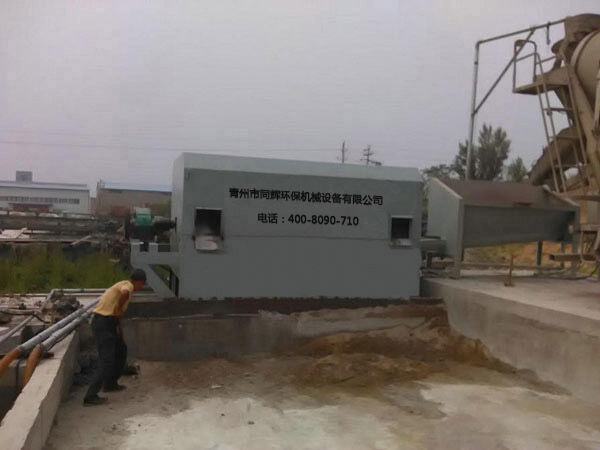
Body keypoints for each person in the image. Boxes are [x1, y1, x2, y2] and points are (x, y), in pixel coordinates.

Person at [83, 269, 146, 406]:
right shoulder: (128, 286)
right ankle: (90, 396)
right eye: (142, 284)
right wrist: (118, 308)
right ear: (139, 282)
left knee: (121, 350)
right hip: (104, 323)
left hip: (109, 323)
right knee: (106, 360)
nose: (141, 287)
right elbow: (124, 294)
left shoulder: (122, 284)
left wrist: (120, 333)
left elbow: (117, 317)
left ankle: (110, 383)